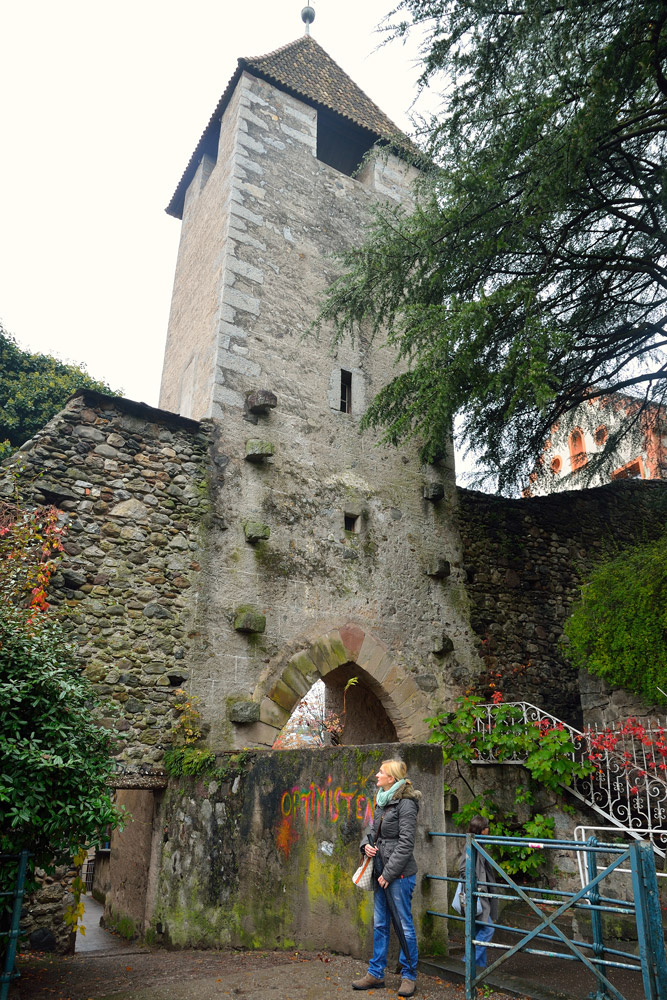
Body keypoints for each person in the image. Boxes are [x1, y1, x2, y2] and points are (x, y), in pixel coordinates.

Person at [352, 759, 421, 997]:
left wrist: (389, 874)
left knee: (404, 926)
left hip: (398, 875)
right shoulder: (382, 799)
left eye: (381, 773)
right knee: (380, 924)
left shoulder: (407, 804)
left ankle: (409, 976)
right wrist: (365, 847)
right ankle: (376, 974)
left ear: (392, 778)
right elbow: (372, 831)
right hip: (380, 871)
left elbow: (406, 843)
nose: (377, 776)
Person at [457, 815, 498, 968]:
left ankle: (479, 968)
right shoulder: (472, 845)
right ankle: (466, 963)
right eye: (487, 827)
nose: (489, 830)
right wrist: (475, 884)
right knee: (488, 929)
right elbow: (463, 867)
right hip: (478, 895)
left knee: (479, 929)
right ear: (483, 830)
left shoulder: (479, 844)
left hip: (482, 895)